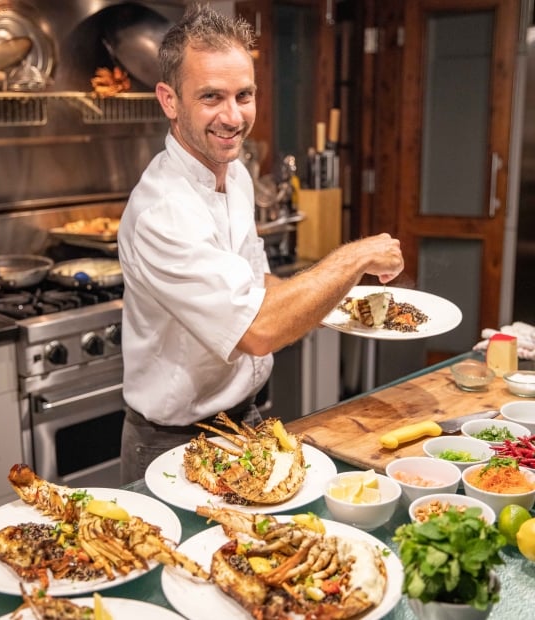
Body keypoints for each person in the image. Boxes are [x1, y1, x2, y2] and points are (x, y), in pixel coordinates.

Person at [117, 2, 404, 484]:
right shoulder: (162, 211)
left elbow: (257, 284)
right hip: (175, 445)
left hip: (243, 423)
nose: (233, 117)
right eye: (211, 97)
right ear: (169, 100)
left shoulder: (235, 173)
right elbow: (257, 331)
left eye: (244, 95)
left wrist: (339, 301)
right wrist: (352, 258)